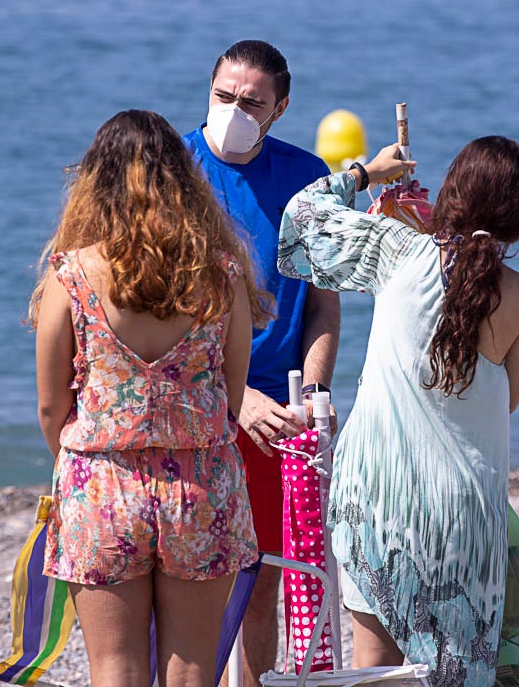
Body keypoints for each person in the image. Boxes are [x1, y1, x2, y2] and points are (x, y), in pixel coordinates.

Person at [278, 137, 519, 687]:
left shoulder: (398, 251)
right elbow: (507, 402)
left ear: (452, 193)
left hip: (375, 501)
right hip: (461, 517)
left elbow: (300, 218)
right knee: (457, 675)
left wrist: (365, 174)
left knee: (374, 672)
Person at [29, 110, 271, 687]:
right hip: (201, 481)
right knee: (191, 670)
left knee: (116, 667)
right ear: (184, 181)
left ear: (95, 180)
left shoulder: (72, 276)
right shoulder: (222, 275)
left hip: (103, 480)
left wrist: (75, 465)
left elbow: (49, 407)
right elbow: (230, 393)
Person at [183, 40, 341, 683]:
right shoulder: (174, 170)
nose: (234, 111)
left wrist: (318, 393)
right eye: (223, 96)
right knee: (195, 582)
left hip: (283, 410)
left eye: (251, 103)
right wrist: (233, 393)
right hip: (195, 403)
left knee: (260, 582)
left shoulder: (307, 178)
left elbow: (323, 308)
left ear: (279, 109)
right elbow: (161, 310)